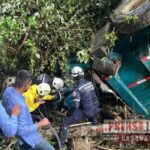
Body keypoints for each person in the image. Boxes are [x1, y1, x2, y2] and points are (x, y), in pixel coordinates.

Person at [2, 70, 55, 150]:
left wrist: (36, 101)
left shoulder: (7, 91)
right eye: (30, 84)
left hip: (19, 139)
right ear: (26, 85)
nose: (30, 86)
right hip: (30, 138)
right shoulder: (21, 105)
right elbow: (21, 130)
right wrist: (40, 123)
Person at [59, 66, 100, 146]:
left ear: (74, 77)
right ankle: (96, 129)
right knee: (91, 113)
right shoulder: (90, 83)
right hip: (96, 108)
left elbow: (76, 106)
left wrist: (69, 113)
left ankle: (61, 145)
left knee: (65, 123)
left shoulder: (77, 89)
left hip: (87, 112)